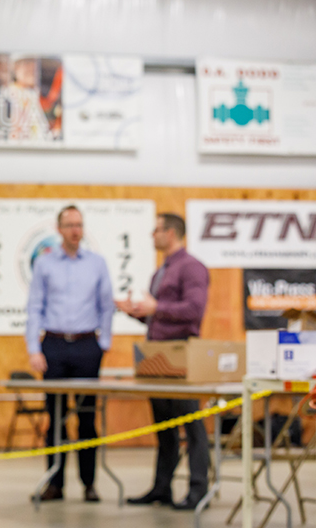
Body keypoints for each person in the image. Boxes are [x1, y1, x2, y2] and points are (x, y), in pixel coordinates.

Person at [115, 213, 210, 510]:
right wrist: (136, 311)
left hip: (182, 357)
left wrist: (156, 306)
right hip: (157, 357)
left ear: (171, 233)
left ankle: (198, 491)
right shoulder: (161, 271)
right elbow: (160, 313)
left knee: (192, 426)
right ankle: (161, 488)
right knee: (164, 427)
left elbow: (194, 310)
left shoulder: (192, 268)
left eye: (156, 230)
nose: (152, 235)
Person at [25, 205, 114, 503]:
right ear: (59, 229)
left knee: (87, 418)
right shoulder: (45, 264)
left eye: (79, 224)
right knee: (56, 417)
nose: (75, 230)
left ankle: (89, 484)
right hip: (54, 347)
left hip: (88, 346)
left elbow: (106, 305)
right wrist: (34, 349)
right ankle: (55, 483)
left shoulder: (97, 263)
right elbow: (35, 307)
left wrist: (103, 344)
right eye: (69, 224)